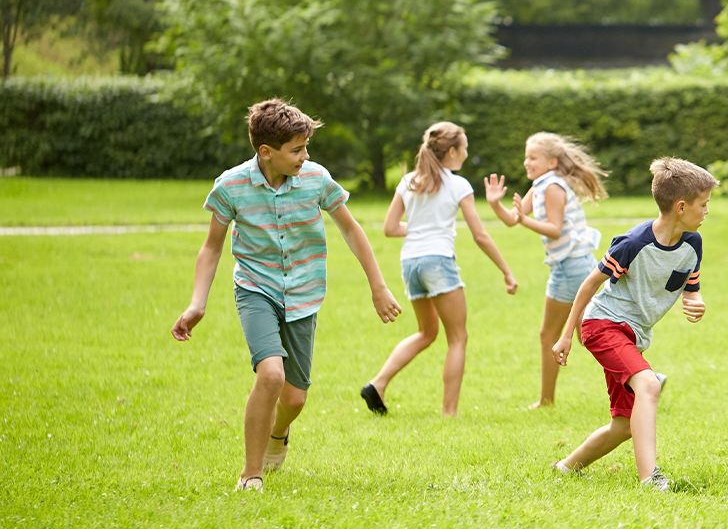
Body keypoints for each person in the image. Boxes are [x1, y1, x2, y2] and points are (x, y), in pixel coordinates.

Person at [171, 99, 402, 493]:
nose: (305, 156)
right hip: (255, 288)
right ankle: (251, 473)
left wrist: (377, 285)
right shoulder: (231, 185)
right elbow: (211, 247)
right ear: (266, 152)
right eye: (296, 150)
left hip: (304, 292)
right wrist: (197, 302)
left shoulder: (315, 178)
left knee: (294, 399)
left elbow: (350, 229)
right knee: (271, 375)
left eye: (306, 147)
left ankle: (279, 434)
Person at [551, 157, 717, 491]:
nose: (707, 211)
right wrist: (566, 335)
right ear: (681, 206)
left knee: (624, 424)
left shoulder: (692, 243)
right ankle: (650, 479)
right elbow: (588, 286)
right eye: (704, 204)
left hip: (634, 335)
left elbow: (690, 290)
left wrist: (695, 302)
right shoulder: (633, 244)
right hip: (602, 324)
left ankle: (566, 468)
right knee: (649, 385)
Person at [360, 122, 517, 418]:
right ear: (453, 151)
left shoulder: (408, 180)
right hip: (438, 261)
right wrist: (506, 270)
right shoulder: (458, 185)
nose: (467, 154)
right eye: (465, 148)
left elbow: (390, 228)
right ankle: (449, 412)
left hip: (411, 263)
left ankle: (377, 384)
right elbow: (480, 234)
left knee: (426, 332)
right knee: (458, 337)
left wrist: (421, 228)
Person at [483, 132, 608, 408]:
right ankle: (645, 379)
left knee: (555, 335)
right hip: (574, 265)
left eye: (533, 157)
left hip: (571, 268)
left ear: (552, 161)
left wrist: (526, 221)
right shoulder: (541, 184)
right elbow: (513, 220)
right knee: (590, 334)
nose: (527, 162)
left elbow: (554, 229)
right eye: (526, 156)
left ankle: (547, 401)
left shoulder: (552, 187)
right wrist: (495, 204)